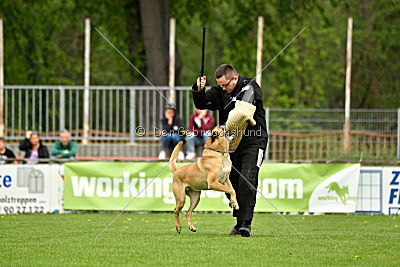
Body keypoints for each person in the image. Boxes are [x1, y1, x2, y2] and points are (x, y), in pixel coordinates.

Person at [192, 64, 268, 237]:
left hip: (254, 141)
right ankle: (239, 221)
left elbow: (241, 112)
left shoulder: (249, 86)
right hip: (231, 145)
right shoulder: (220, 91)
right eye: (220, 86)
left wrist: (225, 127)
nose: (223, 89)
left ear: (234, 78)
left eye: (226, 85)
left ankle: (246, 223)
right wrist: (199, 89)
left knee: (247, 178)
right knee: (231, 181)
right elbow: (201, 103)